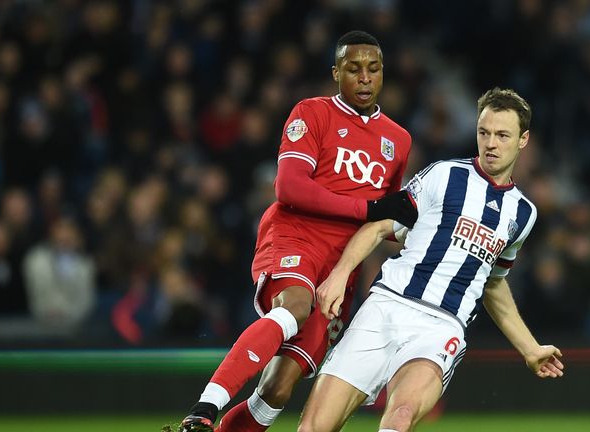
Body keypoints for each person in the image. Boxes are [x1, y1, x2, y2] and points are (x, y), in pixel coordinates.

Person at [174, 31, 415, 432]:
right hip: (295, 237)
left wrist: (416, 229)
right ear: (336, 72)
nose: (364, 78)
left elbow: (384, 219)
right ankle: (203, 409)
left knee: (279, 389)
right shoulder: (311, 113)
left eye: (373, 69)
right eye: (353, 69)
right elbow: (290, 186)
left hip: (341, 268)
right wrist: (367, 208)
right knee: (295, 305)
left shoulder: (398, 140)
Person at [297, 88, 565, 432]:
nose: (491, 144)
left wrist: (529, 348)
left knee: (400, 416)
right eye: (484, 133)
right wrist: (339, 274)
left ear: (523, 140)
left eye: (502, 135)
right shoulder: (444, 175)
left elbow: (492, 279)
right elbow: (379, 227)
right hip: (386, 306)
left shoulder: (523, 214)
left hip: (440, 327)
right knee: (313, 428)